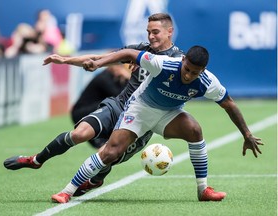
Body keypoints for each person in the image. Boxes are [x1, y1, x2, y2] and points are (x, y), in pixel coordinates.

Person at [50, 45, 263, 203]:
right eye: (187, 69)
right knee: (110, 153)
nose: (188, 75)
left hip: (169, 113)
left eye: (194, 73)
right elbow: (129, 54)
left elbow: (230, 104)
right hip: (140, 109)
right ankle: (66, 191)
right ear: (183, 60)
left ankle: (203, 190)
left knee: (195, 130)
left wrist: (246, 134)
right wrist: (98, 64)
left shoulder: (208, 82)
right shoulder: (163, 64)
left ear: (203, 70)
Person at [3, 13, 183, 196]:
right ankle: (36, 160)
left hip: (142, 122)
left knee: (106, 154)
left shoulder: (179, 60)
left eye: (155, 32)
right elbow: (99, 58)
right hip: (118, 106)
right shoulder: (139, 51)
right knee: (79, 134)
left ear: (170, 32)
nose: (151, 36)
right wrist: (65, 60)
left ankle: (95, 180)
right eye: (148, 32)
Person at [71, 64, 131, 148]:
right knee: (111, 104)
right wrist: (128, 78)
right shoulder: (104, 77)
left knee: (108, 145)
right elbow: (120, 96)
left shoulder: (116, 78)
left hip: (92, 110)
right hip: (81, 113)